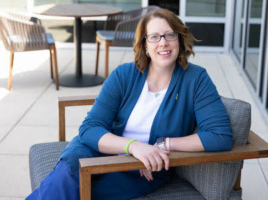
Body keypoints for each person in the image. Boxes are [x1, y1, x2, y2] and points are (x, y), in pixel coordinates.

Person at [26, 8, 232, 200]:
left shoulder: (196, 79)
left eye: (170, 35)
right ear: (144, 45)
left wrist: (160, 145)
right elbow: (89, 129)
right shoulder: (124, 74)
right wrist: (134, 147)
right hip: (99, 148)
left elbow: (220, 136)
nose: (163, 43)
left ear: (179, 39)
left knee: (82, 192)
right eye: (154, 37)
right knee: (67, 175)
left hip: (146, 169)